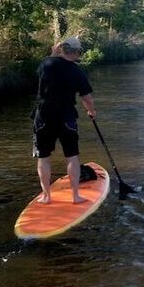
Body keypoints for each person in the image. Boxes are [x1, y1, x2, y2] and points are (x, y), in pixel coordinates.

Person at [32, 36, 96, 204]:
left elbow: (48, 66)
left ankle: (46, 196)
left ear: (62, 49)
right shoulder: (78, 72)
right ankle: (75, 196)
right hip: (66, 116)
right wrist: (91, 112)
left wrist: (54, 53)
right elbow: (87, 98)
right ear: (76, 52)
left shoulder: (46, 63)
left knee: (43, 157)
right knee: (72, 156)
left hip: (44, 116)